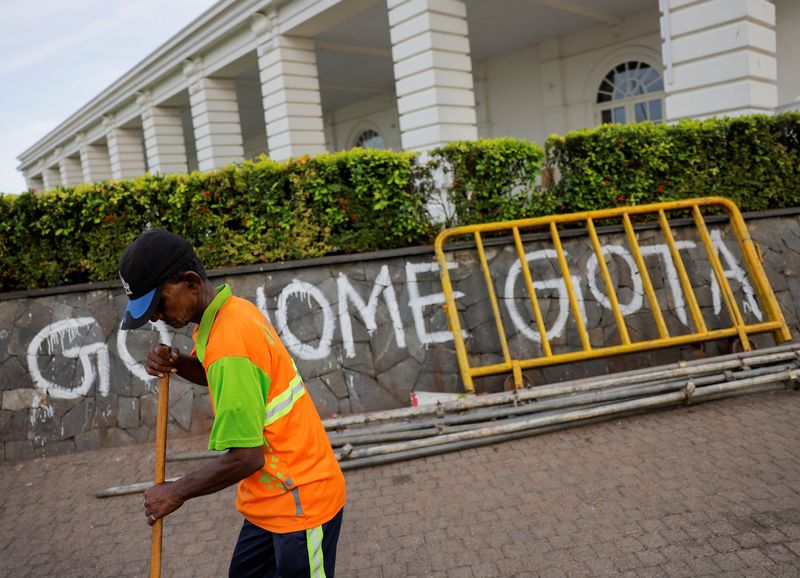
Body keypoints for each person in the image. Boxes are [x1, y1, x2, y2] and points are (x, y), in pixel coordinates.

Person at [119, 229, 346, 577]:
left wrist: (175, 492)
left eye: (158, 303)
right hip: (270, 501)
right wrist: (179, 362)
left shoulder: (230, 340)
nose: (154, 317)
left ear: (191, 282)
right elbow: (215, 373)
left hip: (301, 503)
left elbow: (247, 456)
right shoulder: (230, 313)